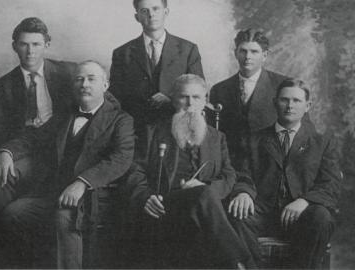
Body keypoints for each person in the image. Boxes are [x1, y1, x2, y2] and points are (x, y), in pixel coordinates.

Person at [0, 61, 135, 268]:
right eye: (79, 79)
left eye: (91, 79)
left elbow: (120, 159)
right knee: (13, 214)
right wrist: (7, 153)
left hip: (95, 196)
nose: (84, 84)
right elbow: (32, 138)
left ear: (105, 85)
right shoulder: (65, 115)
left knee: (64, 217)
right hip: (55, 192)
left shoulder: (121, 120)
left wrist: (82, 183)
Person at [0, 17, 75, 267]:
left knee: (0, 182)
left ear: (47, 44)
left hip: (59, 152)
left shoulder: (69, 73)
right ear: (14, 46)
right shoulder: (3, 85)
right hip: (21, 155)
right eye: (24, 44)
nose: (30, 51)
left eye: (36, 44)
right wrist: (4, 154)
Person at [126, 74, 253, 269]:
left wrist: (207, 190)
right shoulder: (152, 132)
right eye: (183, 97)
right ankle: (242, 264)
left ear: (205, 100)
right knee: (203, 195)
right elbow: (135, 170)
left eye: (196, 97)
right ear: (173, 99)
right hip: (164, 209)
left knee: (202, 194)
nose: (189, 103)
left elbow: (229, 175)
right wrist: (144, 196)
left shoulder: (217, 137)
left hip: (202, 213)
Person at [228, 79, 342, 269]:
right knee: (236, 214)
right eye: (284, 100)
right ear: (275, 103)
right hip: (263, 213)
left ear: (308, 106)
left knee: (322, 217)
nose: (290, 106)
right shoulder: (254, 139)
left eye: (296, 101)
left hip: (304, 216)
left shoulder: (322, 141)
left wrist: (305, 201)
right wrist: (243, 192)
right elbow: (242, 174)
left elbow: (330, 183)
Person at [109, 0, 204, 139]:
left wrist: (171, 100)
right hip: (136, 131)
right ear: (137, 17)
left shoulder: (188, 50)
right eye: (144, 11)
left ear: (166, 12)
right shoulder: (122, 53)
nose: (151, 15)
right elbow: (116, 96)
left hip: (177, 128)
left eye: (155, 9)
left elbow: (199, 92)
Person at [209, 28, 291, 169]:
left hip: (272, 164)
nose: (248, 57)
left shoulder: (282, 85)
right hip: (232, 166)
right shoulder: (219, 90)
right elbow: (213, 134)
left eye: (254, 52)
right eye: (243, 51)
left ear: (264, 55)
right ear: (236, 54)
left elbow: (301, 128)